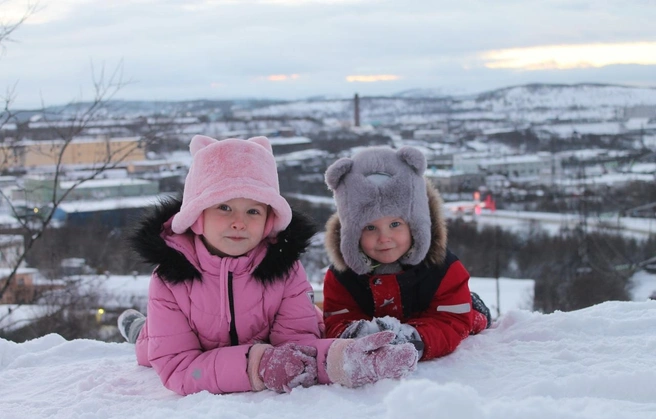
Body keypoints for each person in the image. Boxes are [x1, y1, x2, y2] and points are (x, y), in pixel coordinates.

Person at [117, 135, 418, 396]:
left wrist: (344, 361)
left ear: (269, 221)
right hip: (190, 342)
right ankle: (139, 329)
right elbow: (179, 367)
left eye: (253, 210)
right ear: (197, 216)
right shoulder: (170, 278)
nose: (239, 222)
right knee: (150, 346)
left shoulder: (284, 269)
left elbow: (300, 349)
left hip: (249, 344)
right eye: (224, 207)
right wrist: (259, 366)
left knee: (314, 322)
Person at [322, 145, 491, 361]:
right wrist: (360, 336)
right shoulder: (342, 277)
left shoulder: (441, 268)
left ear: (415, 226)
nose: (384, 238)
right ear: (352, 233)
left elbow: (451, 321)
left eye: (395, 224)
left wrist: (412, 338)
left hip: (429, 319)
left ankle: (476, 308)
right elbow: (336, 322)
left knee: (470, 320)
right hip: (379, 325)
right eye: (370, 228)